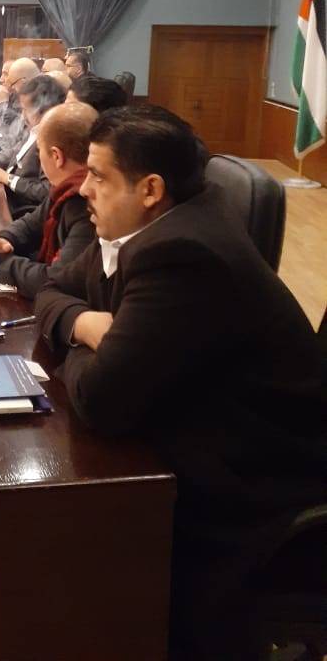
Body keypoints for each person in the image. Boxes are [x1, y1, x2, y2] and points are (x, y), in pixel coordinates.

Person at [35, 105, 327, 661]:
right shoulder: (151, 224)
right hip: (203, 433)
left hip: (253, 488)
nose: (84, 190)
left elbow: (101, 400)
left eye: (98, 177)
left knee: (67, 541)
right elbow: (54, 287)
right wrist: (88, 326)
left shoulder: (182, 252)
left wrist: (74, 338)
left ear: (150, 189)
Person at [0, 102, 96, 297]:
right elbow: (32, 224)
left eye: (39, 151)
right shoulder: (64, 188)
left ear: (56, 156)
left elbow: (59, 281)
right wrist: (2, 239)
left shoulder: (86, 201)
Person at [0, 73, 66, 218]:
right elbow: (13, 153)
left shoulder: (53, 139)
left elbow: (46, 191)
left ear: (43, 109)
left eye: (26, 109)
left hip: (21, 211)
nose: (22, 115)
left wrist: (7, 178)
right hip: (6, 200)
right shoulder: (34, 129)